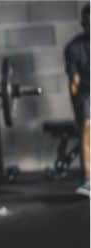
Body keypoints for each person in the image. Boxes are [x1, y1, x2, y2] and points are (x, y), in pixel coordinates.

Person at [64, 3, 90, 197]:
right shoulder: (74, 48)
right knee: (87, 129)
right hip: (86, 94)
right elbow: (74, 82)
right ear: (83, 23)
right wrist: (78, 112)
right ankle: (88, 180)